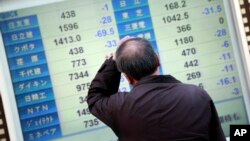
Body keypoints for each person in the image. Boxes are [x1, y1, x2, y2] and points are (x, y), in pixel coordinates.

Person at [87, 37, 226, 141]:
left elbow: (95, 97)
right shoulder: (197, 95)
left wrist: (112, 61)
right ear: (157, 59)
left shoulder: (121, 107)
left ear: (128, 78)